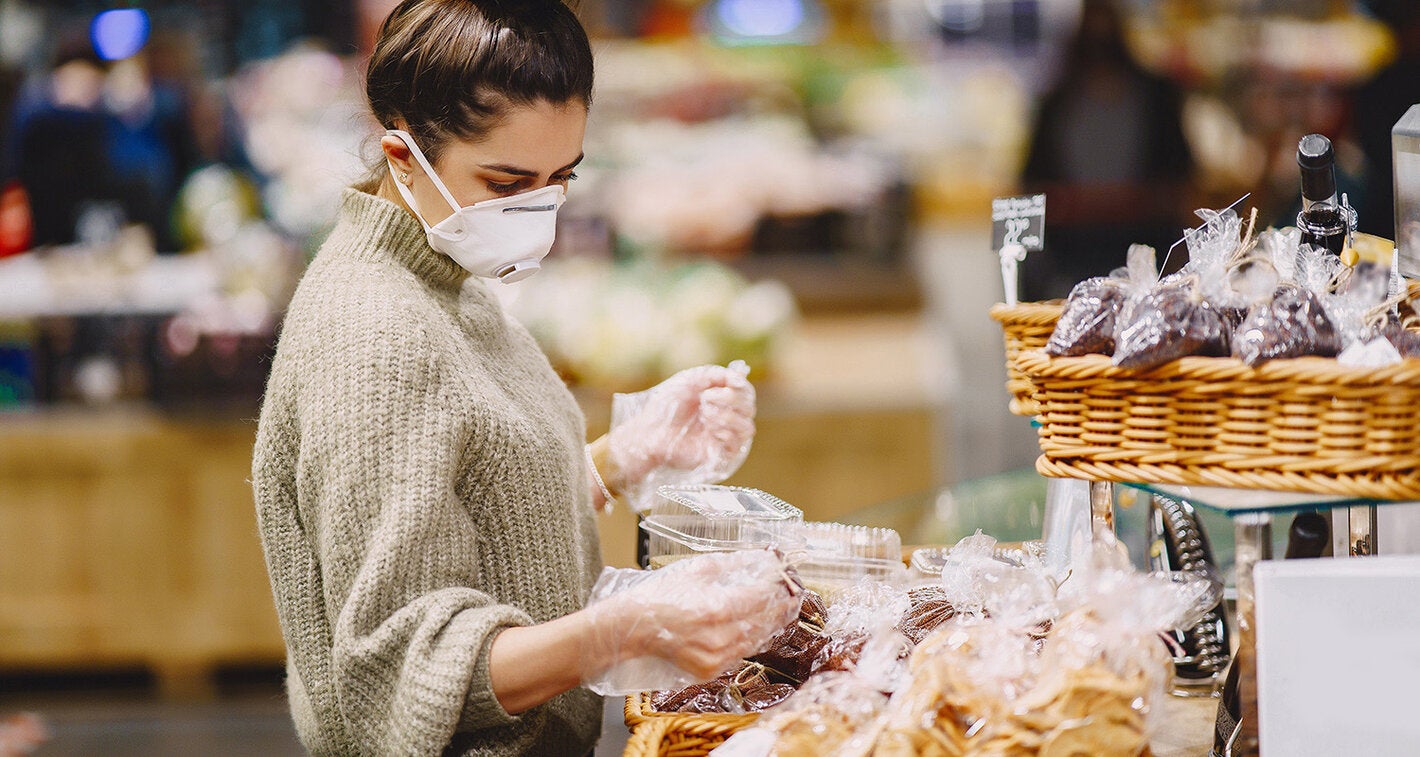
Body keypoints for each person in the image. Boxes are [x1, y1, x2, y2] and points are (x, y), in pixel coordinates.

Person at [250, 2, 796, 755]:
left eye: (558, 179)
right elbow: (399, 669)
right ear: (403, 158)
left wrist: (619, 457)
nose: (535, 211)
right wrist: (620, 630)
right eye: (507, 181)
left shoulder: (447, 269)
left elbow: (467, 502)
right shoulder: (373, 335)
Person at [1019, 0, 1194, 298]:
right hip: (1070, 251)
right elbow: (1030, 181)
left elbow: (1184, 172)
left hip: (1145, 243)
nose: (1098, 33)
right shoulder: (1055, 100)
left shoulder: (1157, 96)